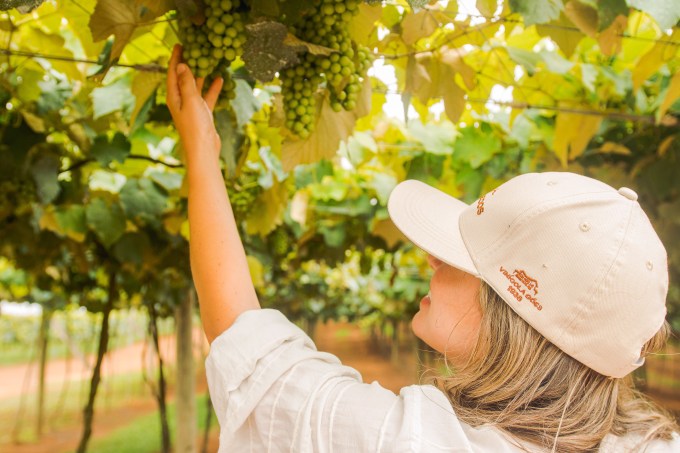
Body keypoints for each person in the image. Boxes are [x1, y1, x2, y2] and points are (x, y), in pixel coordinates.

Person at [166, 44, 680, 452]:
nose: (433, 259)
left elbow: (247, 344)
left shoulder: (411, 441)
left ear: (512, 315)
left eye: (462, 259)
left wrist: (201, 152)